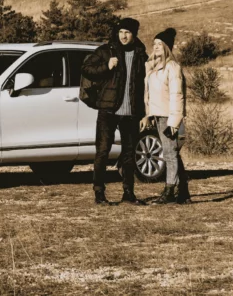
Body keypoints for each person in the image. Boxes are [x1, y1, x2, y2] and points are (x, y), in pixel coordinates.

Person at [81, 17, 148, 205]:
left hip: (132, 112)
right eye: (120, 32)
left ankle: (129, 194)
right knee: (102, 151)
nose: (123, 36)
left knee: (128, 154)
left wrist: (144, 113)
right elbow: (86, 69)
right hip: (108, 110)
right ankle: (99, 194)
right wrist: (106, 66)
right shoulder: (106, 51)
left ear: (134, 34)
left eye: (127, 32)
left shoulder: (141, 54)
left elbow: (144, 86)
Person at [142, 28, 190, 204]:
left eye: (159, 45)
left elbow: (177, 95)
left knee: (170, 155)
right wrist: (148, 114)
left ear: (167, 48)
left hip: (168, 117)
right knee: (172, 154)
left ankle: (170, 190)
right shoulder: (153, 66)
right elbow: (149, 94)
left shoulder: (172, 67)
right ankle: (183, 192)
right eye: (154, 44)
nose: (155, 47)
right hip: (158, 115)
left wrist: (174, 122)